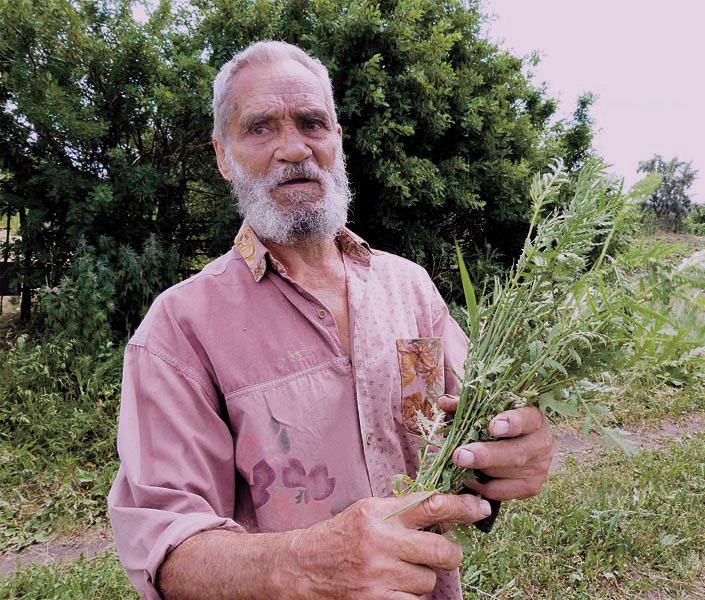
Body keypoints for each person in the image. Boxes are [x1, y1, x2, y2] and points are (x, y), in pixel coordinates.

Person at [108, 40, 554, 600]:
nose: (293, 148)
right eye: (261, 128)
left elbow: (461, 438)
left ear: (337, 141)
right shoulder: (178, 330)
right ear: (223, 155)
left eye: (312, 123)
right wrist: (309, 565)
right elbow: (168, 552)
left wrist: (510, 456)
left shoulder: (408, 287)